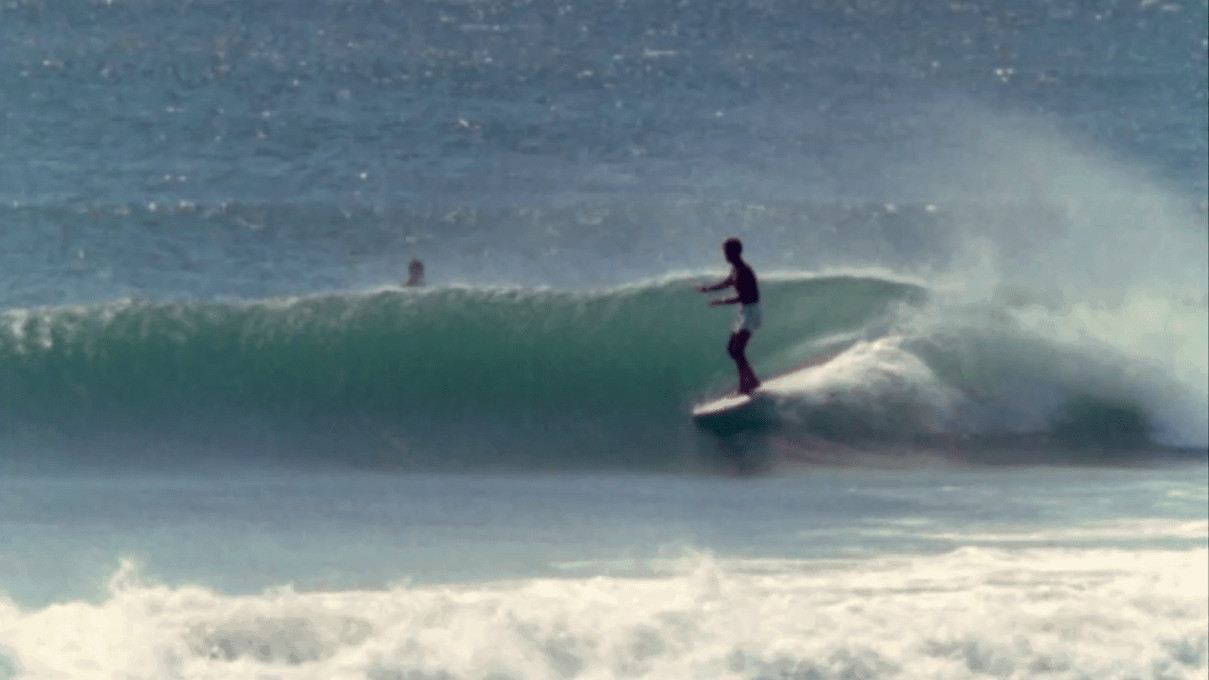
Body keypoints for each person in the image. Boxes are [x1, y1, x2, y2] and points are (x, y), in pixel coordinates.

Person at [698, 237, 762, 394]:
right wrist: (708, 289)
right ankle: (752, 380)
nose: (724, 255)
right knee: (731, 349)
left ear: (735, 252)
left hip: (752, 311)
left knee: (738, 349)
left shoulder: (745, 271)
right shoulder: (735, 270)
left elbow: (746, 297)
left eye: (726, 252)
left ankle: (745, 386)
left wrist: (721, 301)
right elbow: (727, 283)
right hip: (744, 311)